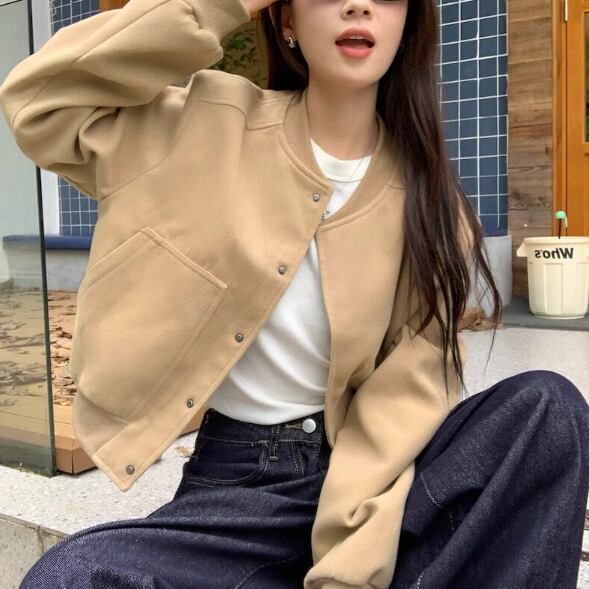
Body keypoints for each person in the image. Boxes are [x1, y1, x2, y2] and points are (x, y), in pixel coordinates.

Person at [0, 0, 587, 586]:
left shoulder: (432, 205)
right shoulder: (203, 124)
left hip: (370, 485)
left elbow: (402, 399)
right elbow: (42, 102)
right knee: (69, 577)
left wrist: (347, 569)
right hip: (236, 495)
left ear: (407, 25)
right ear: (286, 20)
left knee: (549, 411)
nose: (358, 5)